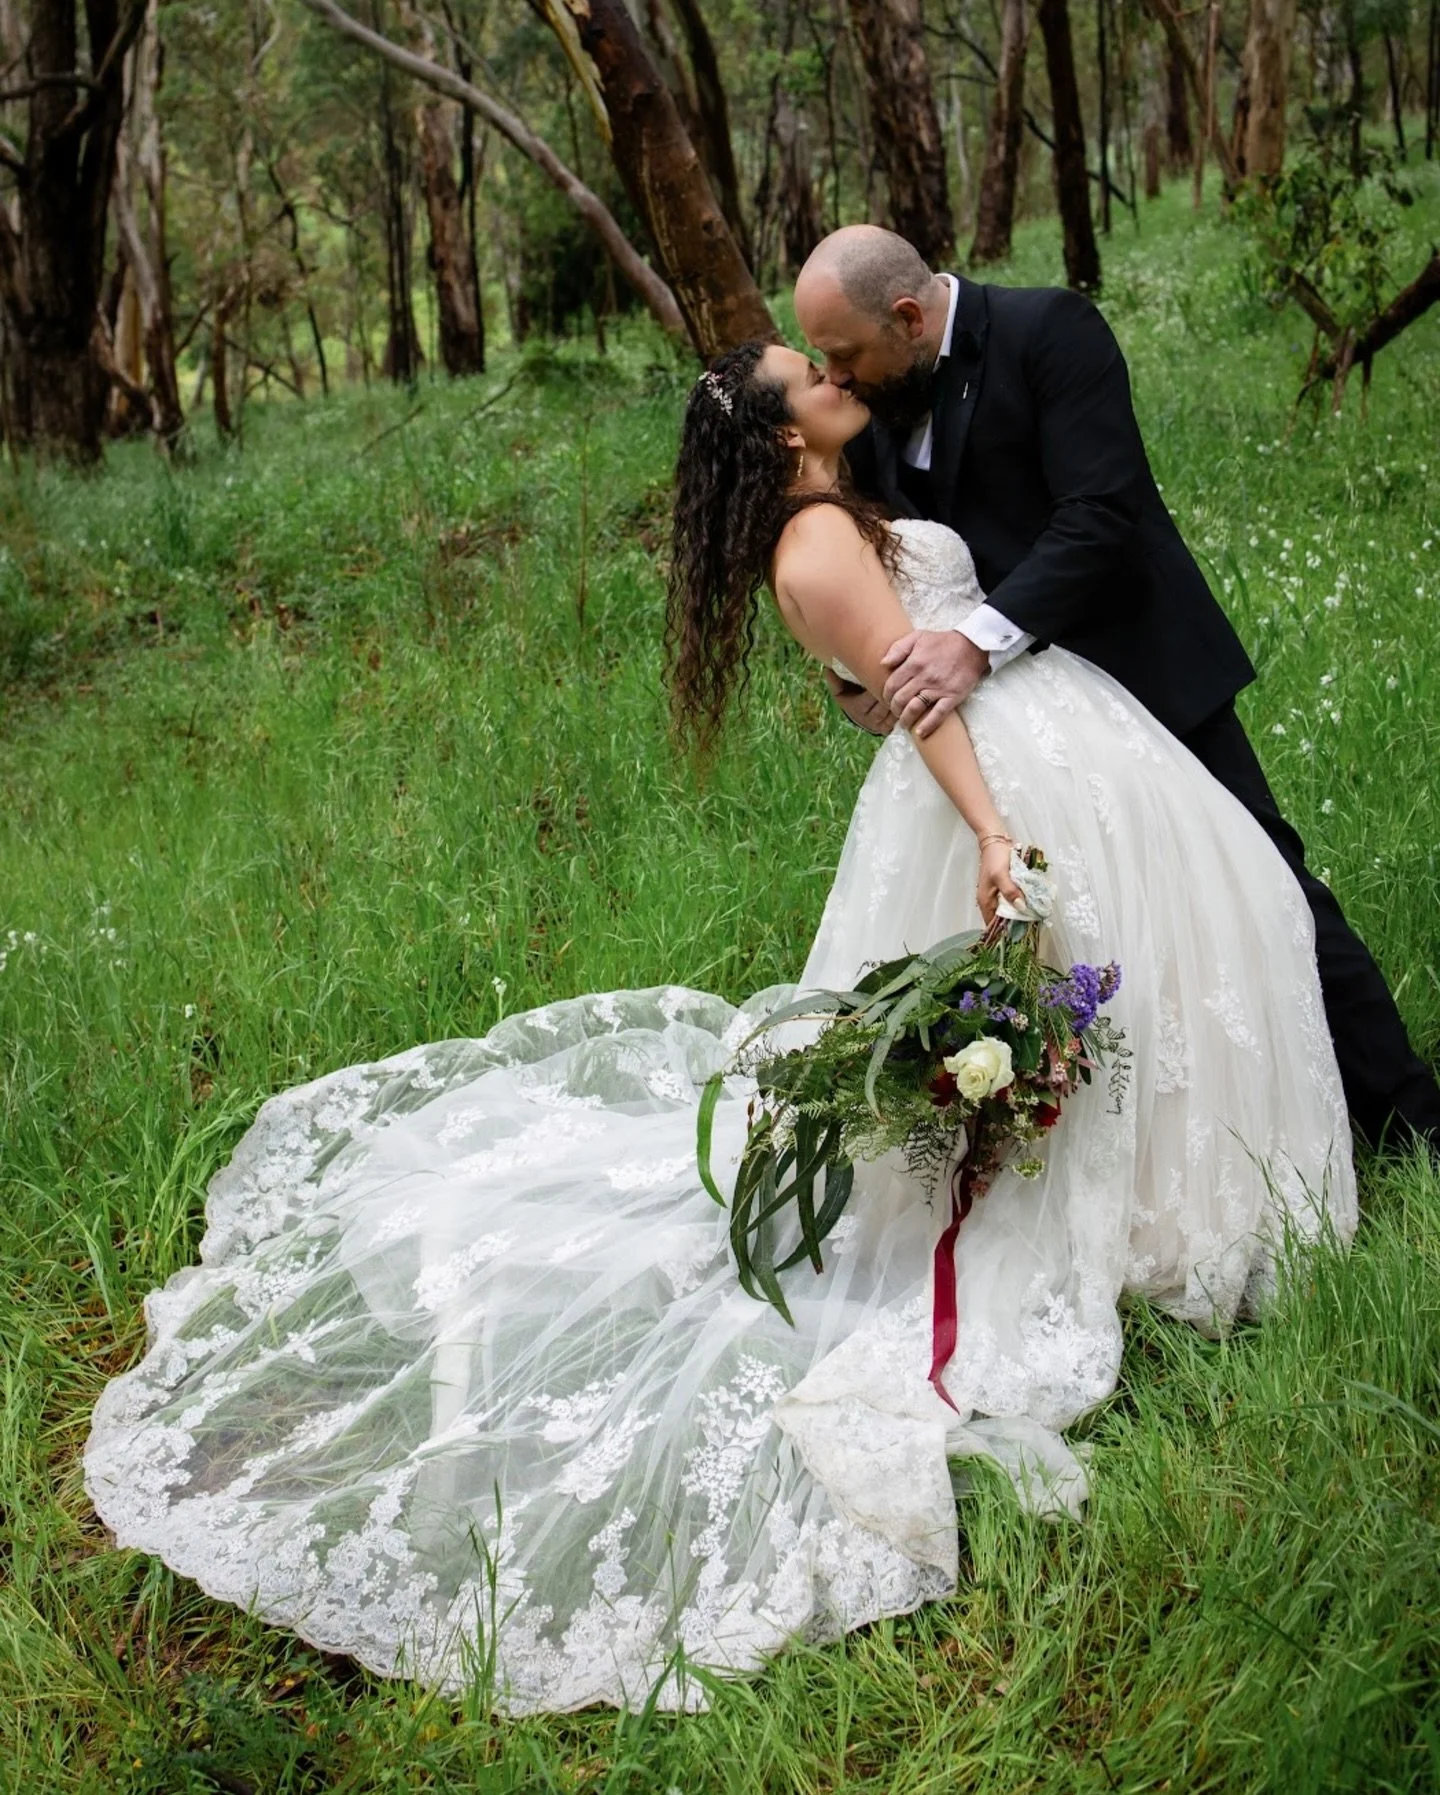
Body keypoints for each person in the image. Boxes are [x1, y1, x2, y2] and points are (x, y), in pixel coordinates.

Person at [84, 341, 1356, 1719]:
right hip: (988, 776)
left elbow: (877, 680)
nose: (835, 375)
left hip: (1046, 732)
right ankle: (1130, 1210)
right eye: (810, 374)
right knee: (1097, 968)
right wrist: (996, 833)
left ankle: (1166, 1187)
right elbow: (912, 704)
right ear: (783, 430)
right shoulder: (816, 540)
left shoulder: (836, 509)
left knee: (1206, 925)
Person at [793, 224, 1440, 1163]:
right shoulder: (879, 403)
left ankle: (1412, 1126)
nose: (836, 376)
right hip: (1034, 733)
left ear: (908, 317)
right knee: (1121, 928)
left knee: (1270, 887)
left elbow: (1101, 512)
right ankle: (1192, 1142)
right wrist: (861, 677)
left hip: (1145, 671)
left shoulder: (1049, 331)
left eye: (845, 353)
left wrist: (972, 645)